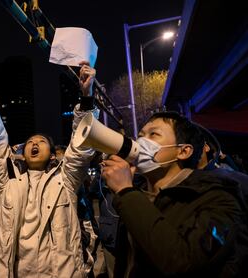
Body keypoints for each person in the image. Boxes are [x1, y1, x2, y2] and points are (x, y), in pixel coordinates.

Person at [0, 62, 98, 277]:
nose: (34, 144)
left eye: (41, 141)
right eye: (30, 142)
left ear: (52, 153)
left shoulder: (66, 179)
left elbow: (82, 145)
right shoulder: (6, 179)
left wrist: (86, 97)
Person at [100, 111, 248, 277]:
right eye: (140, 135)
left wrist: (126, 191)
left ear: (183, 151)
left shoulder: (218, 198)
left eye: (153, 134)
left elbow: (184, 262)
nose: (141, 142)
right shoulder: (137, 195)